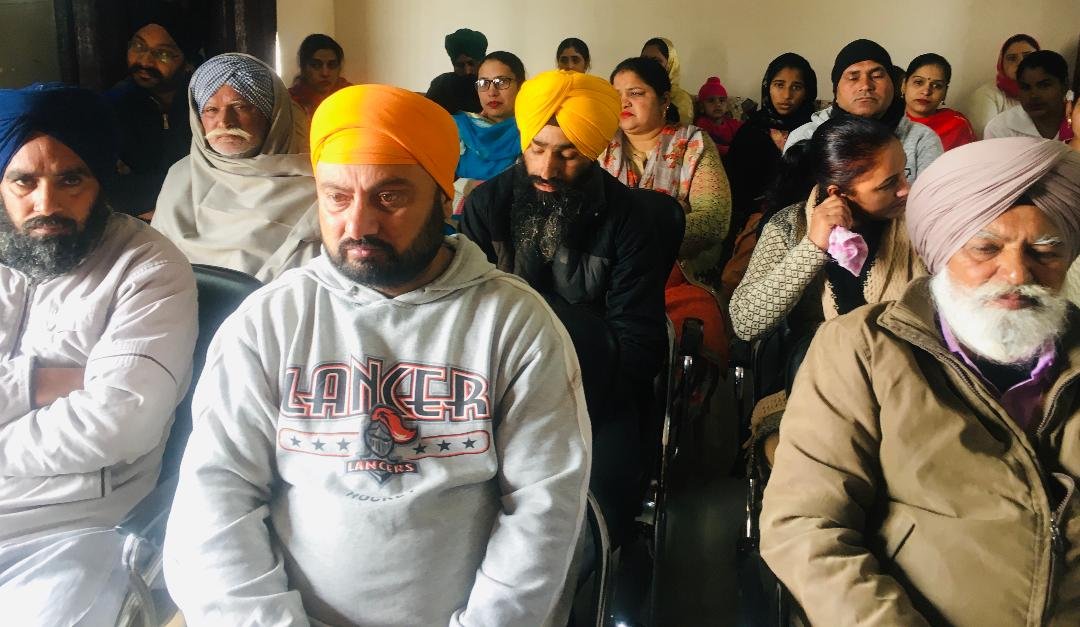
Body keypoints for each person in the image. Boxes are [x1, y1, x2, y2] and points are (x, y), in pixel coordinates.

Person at [163, 84, 591, 626]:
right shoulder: (271, 320)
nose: (359, 224)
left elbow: (544, 511)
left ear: (444, 198)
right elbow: (215, 496)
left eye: (389, 197)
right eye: (337, 197)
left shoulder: (515, 324)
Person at [761, 136, 1080, 626]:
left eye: (1045, 251)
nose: (1018, 273)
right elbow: (807, 526)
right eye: (986, 248)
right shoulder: (863, 349)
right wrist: (812, 249)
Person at [0, 83, 197, 626]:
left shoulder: (148, 269)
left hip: (71, 530)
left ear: (101, 181)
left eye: (71, 179)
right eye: (24, 181)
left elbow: (117, 422)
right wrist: (37, 381)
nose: (46, 204)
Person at [460, 69, 671, 541]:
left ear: (594, 151)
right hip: (492, 394)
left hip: (594, 394)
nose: (547, 170)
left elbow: (638, 345)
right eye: (536, 149)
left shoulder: (630, 220)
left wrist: (560, 396)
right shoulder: (485, 207)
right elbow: (462, 322)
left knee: (592, 523)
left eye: (568, 154)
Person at [731, 117, 926, 465]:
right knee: (814, 462)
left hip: (908, 378)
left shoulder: (919, 224)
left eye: (905, 174)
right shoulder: (790, 226)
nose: (906, 190)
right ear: (838, 193)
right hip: (811, 384)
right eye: (889, 184)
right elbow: (746, 321)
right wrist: (812, 248)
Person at [152, 53, 320, 283]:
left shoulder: (319, 187)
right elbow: (156, 264)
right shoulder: (181, 177)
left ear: (273, 115)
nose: (225, 121)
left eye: (240, 106)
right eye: (211, 110)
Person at [601, 57, 732, 292]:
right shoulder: (600, 144)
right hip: (607, 273)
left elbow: (714, 220)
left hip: (676, 274)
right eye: (616, 94)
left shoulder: (693, 143)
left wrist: (632, 238)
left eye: (635, 93)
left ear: (664, 100)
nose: (623, 102)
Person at [785, 39, 943, 181]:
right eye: (853, 77)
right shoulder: (805, 137)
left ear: (893, 86)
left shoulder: (921, 139)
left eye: (877, 76)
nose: (866, 85)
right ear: (836, 91)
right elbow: (790, 201)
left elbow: (933, 202)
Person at [104, 14, 200, 218]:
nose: (145, 61)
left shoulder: (207, 105)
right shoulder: (112, 106)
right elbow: (108, 185)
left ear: (188, 62)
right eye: (138, 47)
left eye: (163, 54)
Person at [725, 53, 818, 238]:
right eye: (779, 85)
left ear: (808, 92)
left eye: (796, 87)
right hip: (750, 221)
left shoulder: (816, 131)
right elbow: (734, 188)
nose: (787, 95)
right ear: (767, 87)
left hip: (807, 221)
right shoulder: (751, 131)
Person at [451, 51, 525, 217]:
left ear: (521, 86)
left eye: (501, 82)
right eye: (483, 83)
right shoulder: (458, 129)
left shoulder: (534, 135)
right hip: (459, 221)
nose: (492, 92)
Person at [985, 50, 1078, 145]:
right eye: (1025, 87)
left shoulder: (1076, 120)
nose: (1033, 95)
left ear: (1064, 85)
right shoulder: (1000, 128)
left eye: (1044, 85)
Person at [965, 33, 1040, 139]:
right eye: (1012, 58)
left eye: (1028, 57)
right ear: (1002, 64)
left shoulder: (1051, 93)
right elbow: (987, 139)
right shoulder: (987, 95)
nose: (1021, 63)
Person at [902, 53, 976, 151]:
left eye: (937, 86)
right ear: (904, 85)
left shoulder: (956, 124)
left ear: (945, 92)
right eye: (918, 82)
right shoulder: (888, 120)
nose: (926, 92)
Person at [426, 27, 487, 115]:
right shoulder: (441, 85)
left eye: (471, 63)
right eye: (460, 65)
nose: (468, 71)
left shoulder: (494, 84)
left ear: (482, 61)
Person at [288, 33, 352, 116]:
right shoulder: (290, 102)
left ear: (339, 68)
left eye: (332, 65)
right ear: (304, 68)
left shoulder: (350, 96)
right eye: (316, 65)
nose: (325, 73)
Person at [641, 37, 694, 125]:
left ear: (670, 64)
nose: (648, 65)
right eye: (643, 60)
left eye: (656, 61)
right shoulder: (632, 92)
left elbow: (681, 130)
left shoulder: (681, 99)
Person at [694, 77, 742, 157]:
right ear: (702, 106)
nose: (718, 104)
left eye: (722, 100)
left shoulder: (732, 123)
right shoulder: (702, 123)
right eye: (711, 100)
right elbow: (707, 145)